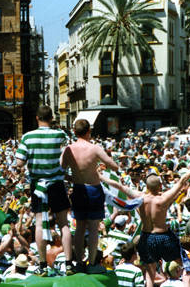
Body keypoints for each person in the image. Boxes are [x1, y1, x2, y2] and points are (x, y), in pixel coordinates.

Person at [103, 150, 190, 287]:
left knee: (149, 273)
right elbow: (182, 180)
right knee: (187, 267)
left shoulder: (140, 197)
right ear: (160, 186)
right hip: (163, 237)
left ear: (147, 187)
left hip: (146, 238)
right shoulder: (164, 198)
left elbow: (119, 185)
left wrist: (100, 177)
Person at [15, 105, 73, 276]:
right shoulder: (61, 135)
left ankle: (42, 265)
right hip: (56, 183)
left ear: (37, 118)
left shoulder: (27, 137)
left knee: (39, 223)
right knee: (63, 223)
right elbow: (67, 158)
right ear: (51, 118)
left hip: (38, 185)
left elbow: (19, 162)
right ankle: (69, 263)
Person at [61, 119, 119, 273]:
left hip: (78, 188)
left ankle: (79, 262)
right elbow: (114, 165)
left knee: (79, 228)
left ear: (74, 132)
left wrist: (72, 178)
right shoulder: (95, 148)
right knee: (93, 228)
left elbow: (60, 170)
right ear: (89, 132)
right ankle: (92, 264)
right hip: (93, 189)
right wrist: (97, 169)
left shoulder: (68, 149)